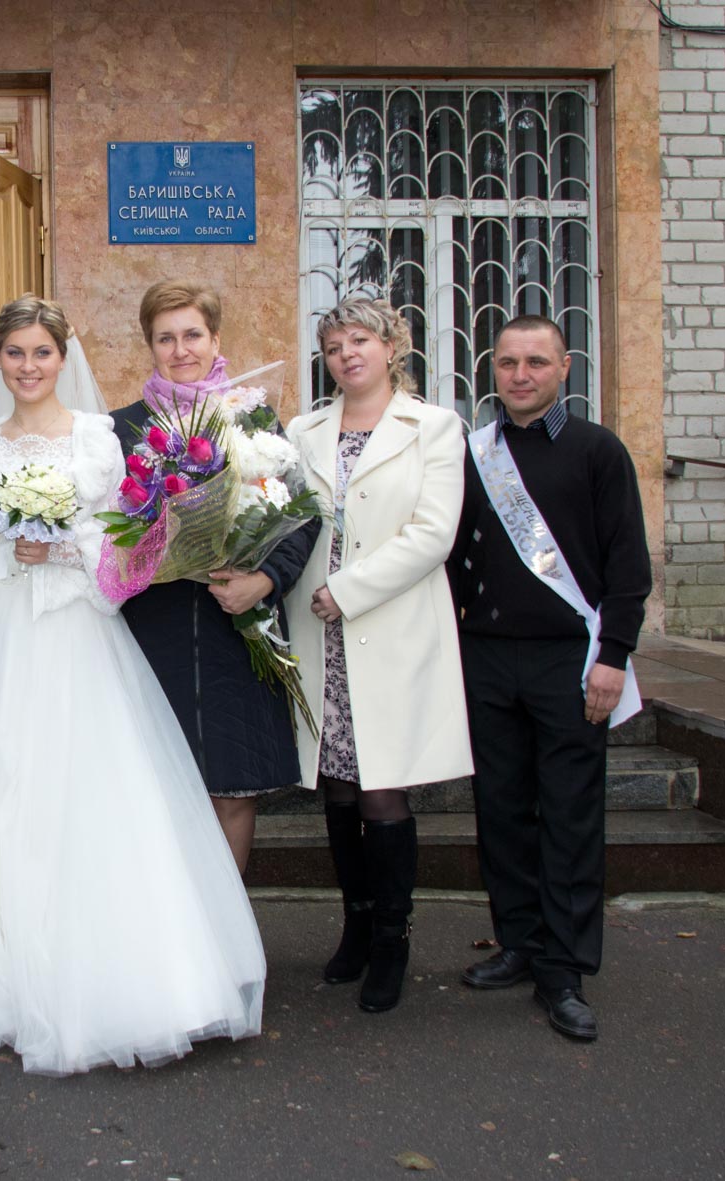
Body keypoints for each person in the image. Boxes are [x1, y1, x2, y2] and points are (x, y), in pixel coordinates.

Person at [0, 296, 265, 1076]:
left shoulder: (97, 438)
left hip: (77, 631)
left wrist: (56, 545)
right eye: (14, 352)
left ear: (64, 358)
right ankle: (0, 979)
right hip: (8, 636)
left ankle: (109, 977)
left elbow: (124, 545)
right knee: (3, 791)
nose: (28, 366)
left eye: (42, 352)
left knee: (87, 794)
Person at [448, 315, 651, 1042]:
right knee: (501, 810)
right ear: (493, 371)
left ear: (565, 368)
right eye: (508, 363)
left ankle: (563, 970)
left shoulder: (598, 451)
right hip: (487, 657)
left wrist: (613, 656)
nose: (520, 374)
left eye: (536, 361)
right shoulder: (474, 455)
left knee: (569, 814)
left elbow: (628, 566)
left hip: (570, 660)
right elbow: (451, 558)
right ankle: (520, 943)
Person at [285, 298, 472, 1014]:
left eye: (360, 340)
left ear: (393, 346)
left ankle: (393, 937)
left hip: (387, 625)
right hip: (319, 631)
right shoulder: (302, 431)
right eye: (334, 346)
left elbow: (433, 534)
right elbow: (286, 520)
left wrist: (348, 590)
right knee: (336, 785)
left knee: (382, 787)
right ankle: (357, 925)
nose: (347, 355)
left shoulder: (434, 427)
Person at [112, 281, 320, 873]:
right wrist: (150, 551)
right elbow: (104, 534)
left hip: (237, 627)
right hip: (154, 633)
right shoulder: (122, 429)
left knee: (233, 788)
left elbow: (302, 514)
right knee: (158, 791)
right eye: (165, 338)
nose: (181, 350)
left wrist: (266, 580)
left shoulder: (253, 419)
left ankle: (229, 926)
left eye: (192, 335)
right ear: (149, 346)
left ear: (215, 339)